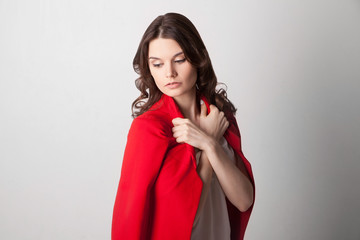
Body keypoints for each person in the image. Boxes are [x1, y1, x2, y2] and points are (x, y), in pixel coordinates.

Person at [112, 12, 255, 240]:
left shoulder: (218, 116)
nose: (169, 73)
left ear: (198, 58)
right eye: (157, 64)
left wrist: (210, 144)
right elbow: (184, 216)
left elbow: (244, 200)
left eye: (179, 60)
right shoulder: (149, 128)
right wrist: (208, 140)